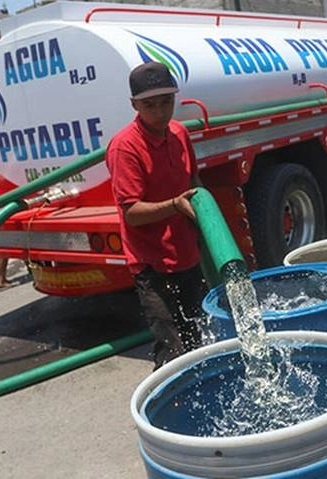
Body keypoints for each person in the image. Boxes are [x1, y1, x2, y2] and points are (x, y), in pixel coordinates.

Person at [106, 61, 208, 370]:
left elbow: (195, 183)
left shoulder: (178, 132)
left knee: (199, 335)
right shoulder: (125, 147)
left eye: (167, 102)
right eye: (150, 105)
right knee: (171, 347)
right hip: (153, 264)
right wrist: (175, 205)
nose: (161, 112)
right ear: (133, 104)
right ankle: (170, 412)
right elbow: (132, 213)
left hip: (187, 254)